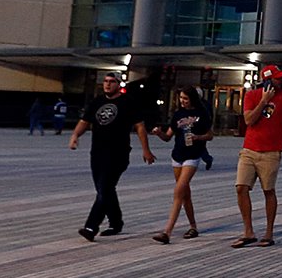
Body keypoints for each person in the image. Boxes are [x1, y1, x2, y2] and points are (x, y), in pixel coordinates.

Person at [67, 71, 153, 240]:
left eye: (112, 81)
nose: (107, 84)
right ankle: (116, 222)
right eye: (106, 81)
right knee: (105, 190)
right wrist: (75, 136)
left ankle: (91, 227)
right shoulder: (97, 102)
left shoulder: (128, 102)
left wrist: (146, 150)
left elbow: (140, 127)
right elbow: (85, 121)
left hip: (118, 153)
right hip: (97, 153)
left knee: (104, 189)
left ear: (118, 84)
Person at [234, 68, 282, 247]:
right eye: (277, 79)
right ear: (267, 81)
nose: (280, 82)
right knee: (241, 187)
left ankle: (268, 232)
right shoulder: (252, 96)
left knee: (268, 190)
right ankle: (248, 231)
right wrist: (263, 101)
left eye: (281, 79)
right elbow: (249, 120)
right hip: (249, 149)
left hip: (271, 151)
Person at [150, 86, 213, 244]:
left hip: (193, 156)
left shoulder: (202, 114)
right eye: (181, 98)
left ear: (192, 98)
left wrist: (198, 137)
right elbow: (168, 137)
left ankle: (167, 231)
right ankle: (193, 226)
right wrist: (159, 133)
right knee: (185, 194)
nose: (182, 101)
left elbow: (210, 135)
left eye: (185, 98)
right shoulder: (178, 114)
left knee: (179, 190)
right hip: (177, 155)